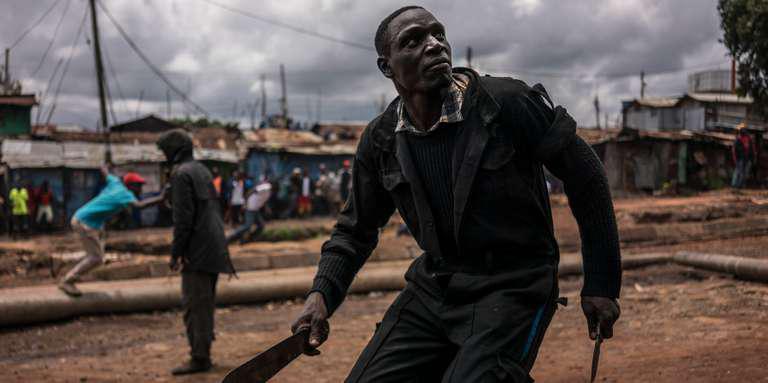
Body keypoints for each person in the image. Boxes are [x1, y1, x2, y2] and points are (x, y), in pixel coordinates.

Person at [290, 7, 621, 382]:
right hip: (436, 289)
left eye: (438, 35)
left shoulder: (506, 104)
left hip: (514, 285)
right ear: (387, 67)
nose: (434, 45)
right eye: (413, 41)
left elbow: (587, 178)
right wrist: (321, 295)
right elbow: (355, 230)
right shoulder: (381, 139)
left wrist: (602, 283)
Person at [156, 129, 235, 375]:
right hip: (214, 247)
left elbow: (183, 220)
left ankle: (200, 358)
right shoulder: (200, 170)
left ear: (174, 151)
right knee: (204, 305)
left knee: (194, 306)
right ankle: (203, 353)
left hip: (197, 250)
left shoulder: (180, 174)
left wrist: (175, 253)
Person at [58, 166, 166, 297]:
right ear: (130, 185)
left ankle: (74, 273)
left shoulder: (115, 183)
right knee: (97, 258)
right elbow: (139, 206)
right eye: (138, 186)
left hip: (84, 219)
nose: (141, 189)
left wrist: (103, 164)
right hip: (85, 223)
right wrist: (160, 198)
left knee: (95, 254)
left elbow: (104, 171)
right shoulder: (126, 194)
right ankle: (68, 280)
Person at [226, 176, 271, 244]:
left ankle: (247, 239)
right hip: (251, 208)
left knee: (261, 225)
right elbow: (252, 190)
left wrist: (267, 208)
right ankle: (230, 237)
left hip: (255, 209)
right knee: (248, 225)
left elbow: (262, 199)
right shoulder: (267, 186)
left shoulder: (268, 190)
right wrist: (245, 202)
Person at [731, 123, 756, 189]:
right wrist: (735, 159)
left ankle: (740, 185)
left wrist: (753, 158)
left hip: (747, 158)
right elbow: (734, 151)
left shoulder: (749, 139)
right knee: (738, 172)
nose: (743, 131)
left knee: (745, 173)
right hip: (740, 159)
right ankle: (735, 185)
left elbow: (752, 149)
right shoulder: (738, 140)